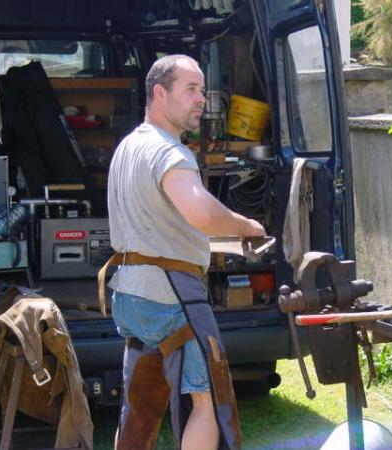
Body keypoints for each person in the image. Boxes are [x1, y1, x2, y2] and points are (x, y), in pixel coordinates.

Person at [105, 54, 265, 450]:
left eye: (202, 89)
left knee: (139, 407)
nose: (201, 99)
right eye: (190, 89)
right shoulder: (170, 153)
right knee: (208, 402)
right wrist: (246, 225)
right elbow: (201, 212)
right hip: (168, 296)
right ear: (159, 93)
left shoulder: (128, 146)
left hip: (129, 295)